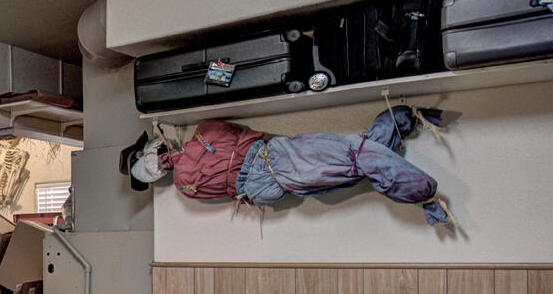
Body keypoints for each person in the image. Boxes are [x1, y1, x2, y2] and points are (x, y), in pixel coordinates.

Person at [118, 103, 452, 225]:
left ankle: (401, 120)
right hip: (273, 162)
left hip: (269, 185)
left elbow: (222, 190)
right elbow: (240, 134)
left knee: (351, 165)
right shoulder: (203, 131)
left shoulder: (183, 186)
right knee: (353, 157)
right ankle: (425, 193)